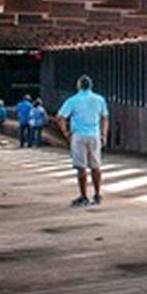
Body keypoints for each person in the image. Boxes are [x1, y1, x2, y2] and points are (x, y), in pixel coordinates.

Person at [57, 75, 109, 207]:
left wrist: (66, 133)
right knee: (96, 166)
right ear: (91, 86)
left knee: (81, 167)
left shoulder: (72, 100)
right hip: (95, 135)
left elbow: (60, 117)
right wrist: (104, 134)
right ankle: (97, 195)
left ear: (78, 86)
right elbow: (105, 118)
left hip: (79, 136)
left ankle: (84, 196)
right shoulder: (99, 99)